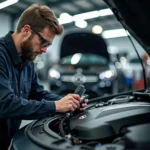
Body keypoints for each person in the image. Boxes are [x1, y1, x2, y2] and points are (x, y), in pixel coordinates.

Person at [0, 4, 88, 150]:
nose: (45, 50)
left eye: (48, 45)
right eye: (43, 42)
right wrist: (55, 107)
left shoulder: (27, 61)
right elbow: (5, 104)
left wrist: (67, 102)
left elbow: (38, 93)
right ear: (26, 30)